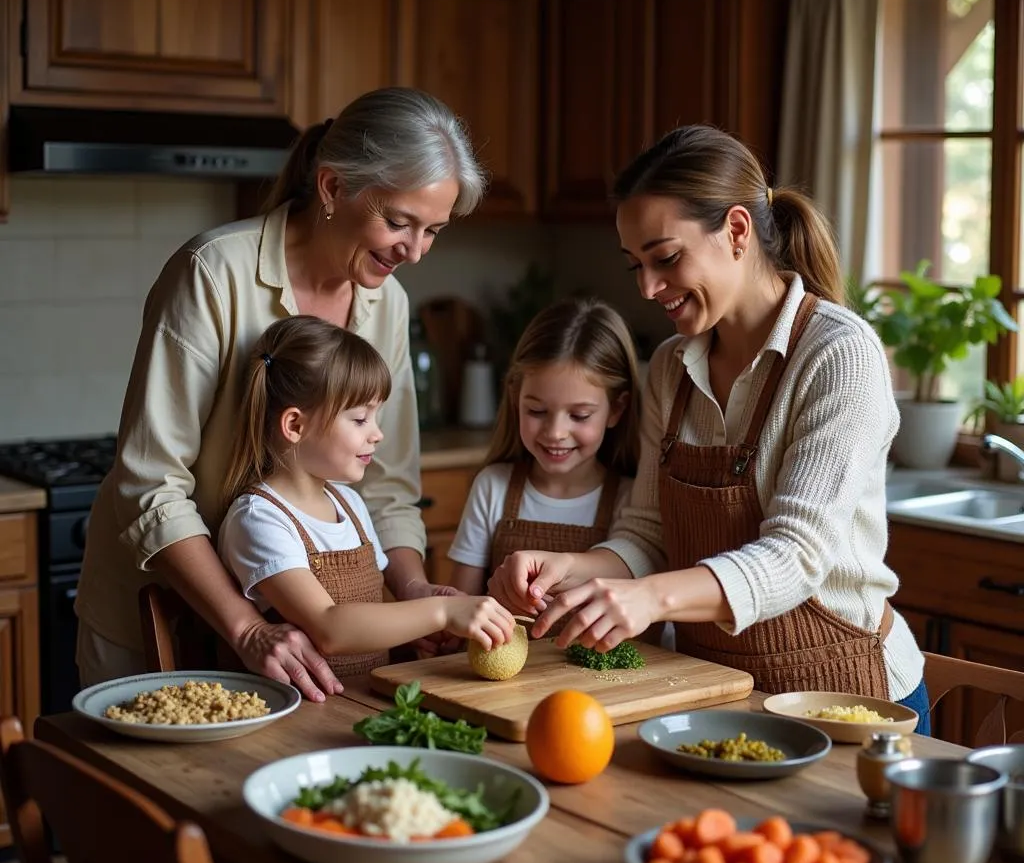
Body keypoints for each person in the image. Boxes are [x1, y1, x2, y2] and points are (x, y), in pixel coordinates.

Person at [488, 125, 931, 734]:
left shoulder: (838, 355)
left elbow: (797, 556)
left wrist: (650, 599)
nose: (647, 287)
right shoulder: (672, 365)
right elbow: (648, 533)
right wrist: (572, 566)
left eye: (665, 258)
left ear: (737, 231)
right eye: (636, 265)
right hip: (711, 693)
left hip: (846, 700)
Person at [76, 87, 487, 702]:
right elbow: (152, 486)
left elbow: (390, 486)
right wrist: (246, 628)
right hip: (163, 622)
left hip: (299, 648)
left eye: (433, 231)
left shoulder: (388, 304)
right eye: (399, 222)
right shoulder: (213, 274)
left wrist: (413, 589)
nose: (416, 251)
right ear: (330, 188)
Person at [217, 315, 515, 671]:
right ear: (295, 425)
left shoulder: (350, 504)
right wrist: (441, 613)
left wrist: (417, 618)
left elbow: (372, 614)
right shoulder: (259, 518)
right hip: (306, 716)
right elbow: (330, 627)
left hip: (366, 704)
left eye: (376, 417)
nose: (377, 434)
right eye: (360, 419)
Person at [447, 297, 639, 598]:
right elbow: (459, 608)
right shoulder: (493, 487)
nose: (555, 432)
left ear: (616, 409)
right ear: (515, 397)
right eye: (537, 411)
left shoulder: (632, 501)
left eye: (579, 416)